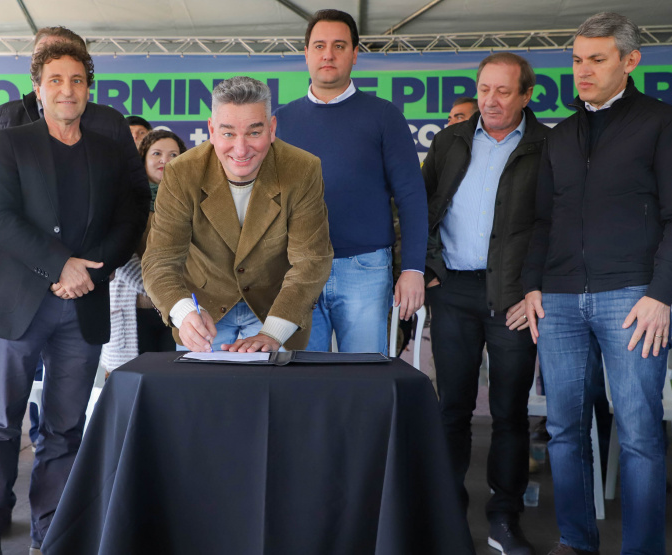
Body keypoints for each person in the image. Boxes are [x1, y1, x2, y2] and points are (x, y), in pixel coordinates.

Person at [522, 12, 672, 555]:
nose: (583, 70)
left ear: (630, 60)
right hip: (557, 297)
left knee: (640, 435)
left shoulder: (670, 125)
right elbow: (540, 220)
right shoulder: (559, 134)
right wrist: (532, 286)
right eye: (577, 60)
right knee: (564, 431)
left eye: (597, 60)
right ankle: (576, 542)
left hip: (632, 298)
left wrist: (659, 294)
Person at [0, 28, 150, 536]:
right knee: (0, 423)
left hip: (82, 305)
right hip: (19, 303)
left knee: (65, 429)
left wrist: (91, 269)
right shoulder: (10, 140)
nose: (67, 89)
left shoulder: (109, 147)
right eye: (55, 80)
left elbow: (131, 216)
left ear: (88, 86)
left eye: (76, 79)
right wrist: (58, 265)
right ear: (37, 87)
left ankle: (51, 529)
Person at [423, 52, 549, 555]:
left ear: (525, 95)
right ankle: (449, 517)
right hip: (452, 291)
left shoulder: (547, 145)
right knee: (451, 410)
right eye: (484, 89)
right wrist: (427, 266)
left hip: (513, 297)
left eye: (503, 91)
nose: (490, 100)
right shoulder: (451, 139)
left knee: (509, 412)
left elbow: (553, 225)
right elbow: (419, 205)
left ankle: (503, 520)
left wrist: (534, 286)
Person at [142, 76, 332, 353]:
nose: (241, 149)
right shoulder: (182, 173)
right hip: (204, 312)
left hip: (275, 308)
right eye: (228, 133)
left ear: (272, 128)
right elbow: (160, 260)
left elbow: (311, 261)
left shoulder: (302, 169)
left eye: (254, 133)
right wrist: (185, 315)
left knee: (274, 394)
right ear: (211, 129)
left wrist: (273, 332)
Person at [275, 9, 426, 355]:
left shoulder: (384, 115)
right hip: (296, 270)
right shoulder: (279, 122)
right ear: (306, 53)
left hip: (366, 269)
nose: (328, 54)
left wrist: (413, 268)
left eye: (339, 46)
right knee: (300, 383)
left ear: (355, 54)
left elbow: (412, 197)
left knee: (364, 381)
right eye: (319, 45)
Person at [100, 129, 185, 371]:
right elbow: (119, 253)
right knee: (132, 383)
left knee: (173, 382)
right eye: (156, 153)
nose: (165, 160)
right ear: (143, 159)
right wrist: (158, 287)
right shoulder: (123, 199)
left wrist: (171, 295)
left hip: (177, 310)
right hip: (133, 306)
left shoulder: (192, 201)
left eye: (173, 154)